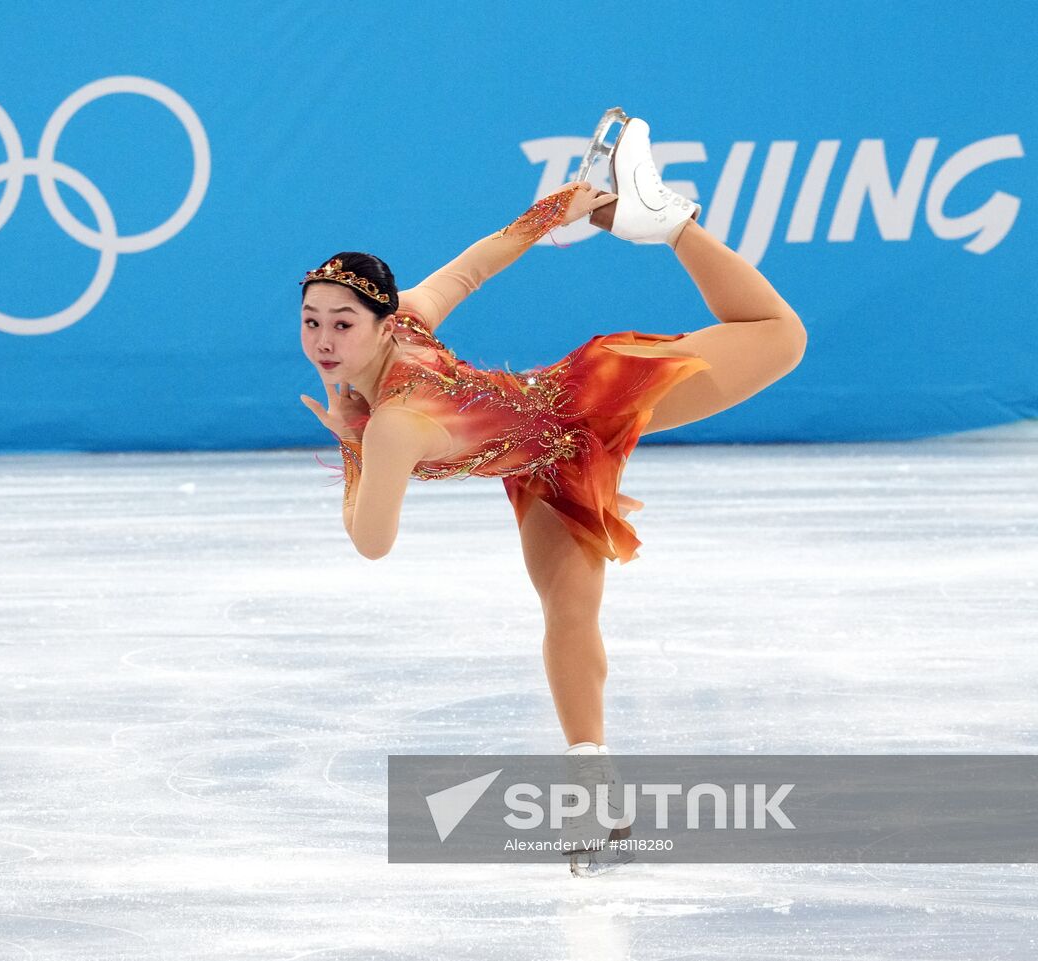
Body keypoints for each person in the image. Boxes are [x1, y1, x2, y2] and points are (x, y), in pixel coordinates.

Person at [298, 115, 807, 872]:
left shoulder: (392, 426)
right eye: (311, 322)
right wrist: (549, 211)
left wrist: (350, 441)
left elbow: (371, 542)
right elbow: (472, 268)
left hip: (586, 400)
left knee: (779, 333)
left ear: (379, 325)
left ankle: (665, 221)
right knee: (569, 615)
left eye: (343, 323)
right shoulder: (404, 328)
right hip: (539, 465)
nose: (325, 341)